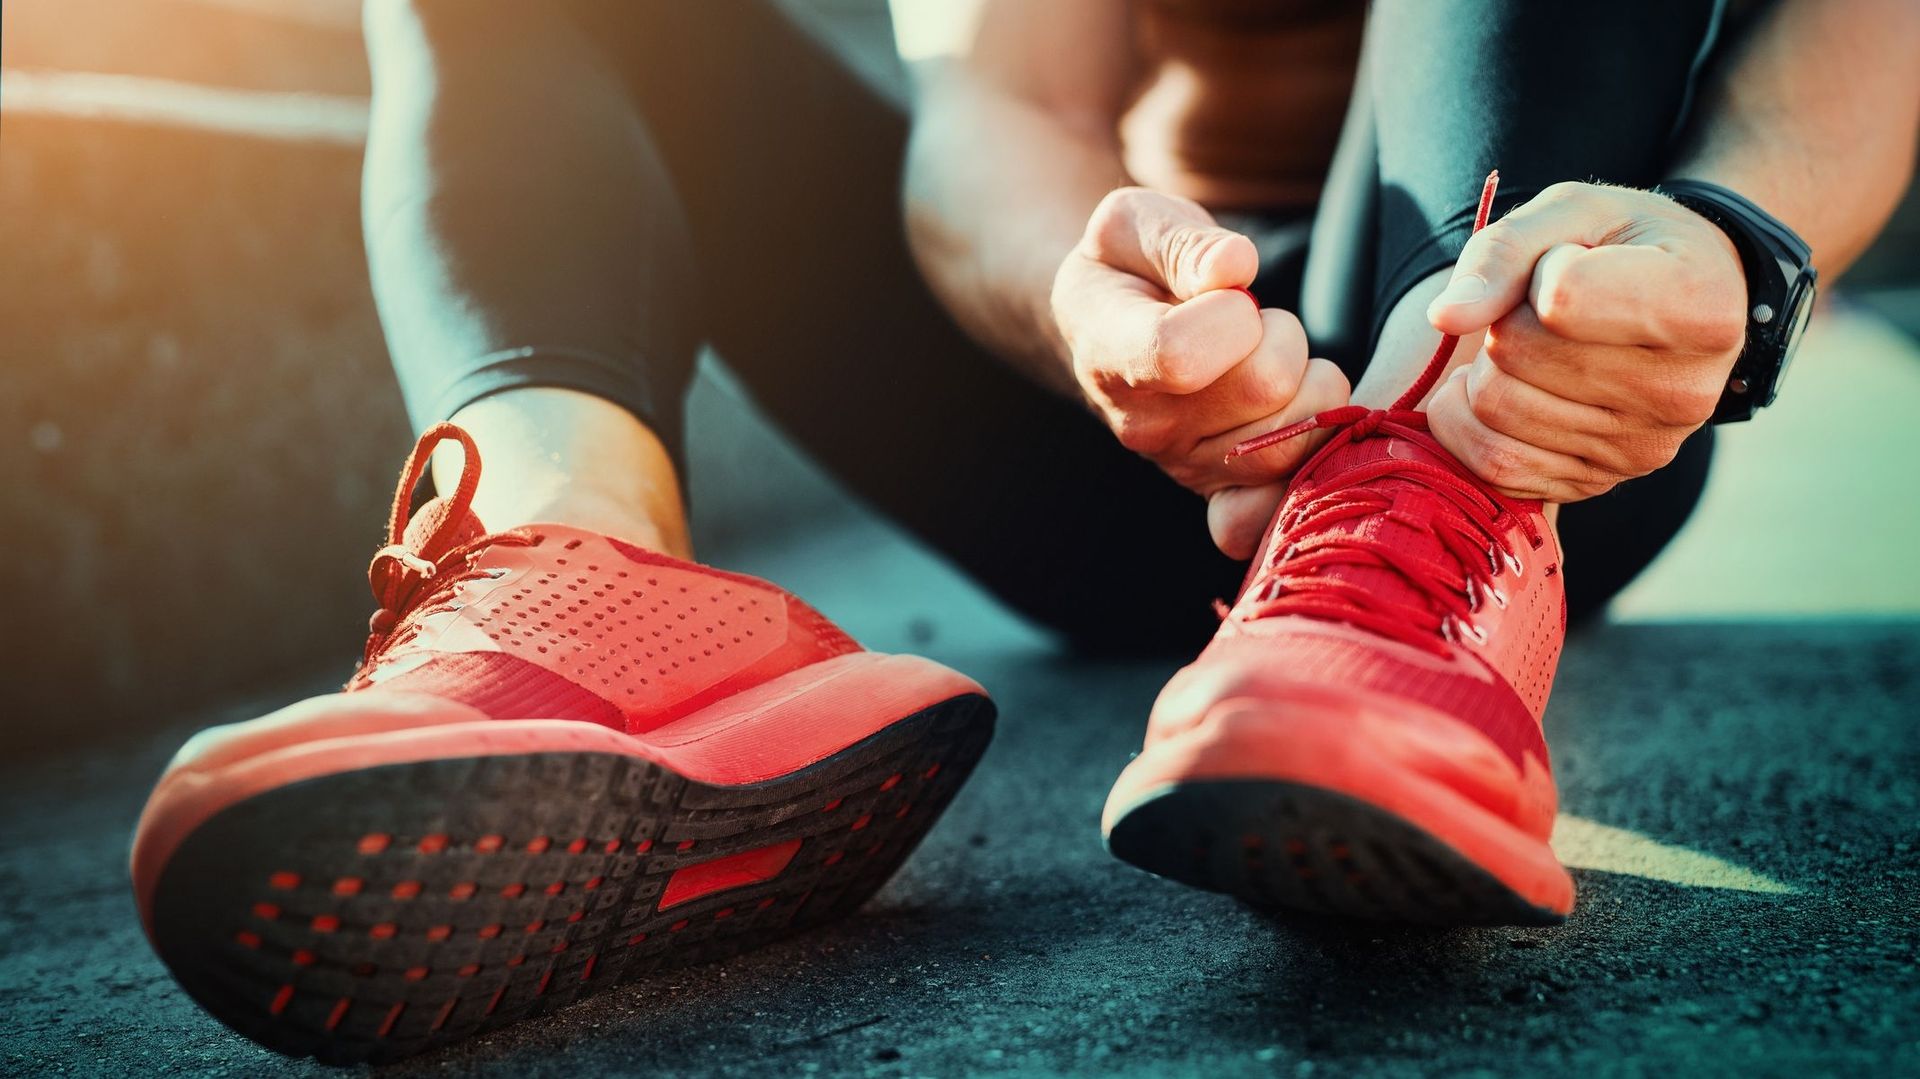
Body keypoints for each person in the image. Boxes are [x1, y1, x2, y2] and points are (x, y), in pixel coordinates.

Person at [129, 0, 1917, 1062]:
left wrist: (1741, 249)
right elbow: (999, 115)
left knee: (1477, 376)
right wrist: (1098, 313)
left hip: (1548, 399)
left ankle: (1408, 554)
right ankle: (576, 577)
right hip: (1143, 423)